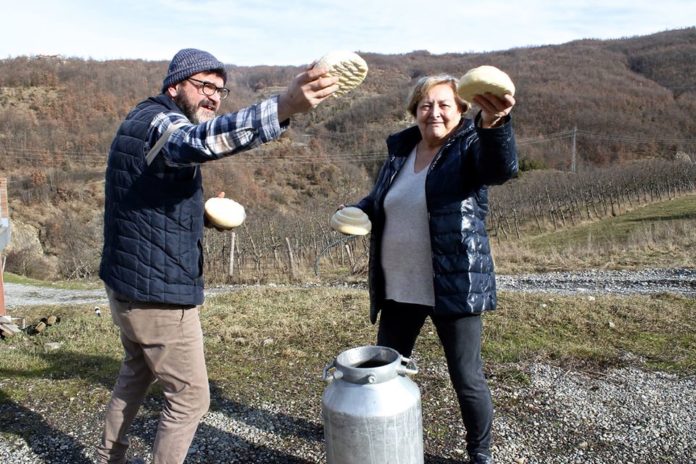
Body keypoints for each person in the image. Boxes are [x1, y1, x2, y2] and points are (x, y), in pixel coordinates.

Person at [96, 48, 338, 464]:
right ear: (174, 85)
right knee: (191, 399)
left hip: (130, 285)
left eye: (220, 91)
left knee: (135, 373)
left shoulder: (140, 118)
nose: (213, 97)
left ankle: (108, 456)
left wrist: (201, 215)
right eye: (204, 86)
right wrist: (282, 107)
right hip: (159, 293)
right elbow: (197, 142)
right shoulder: (161, 123)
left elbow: (148, 195)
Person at [351, 74, 518, 464]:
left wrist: (495, 127)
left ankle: (480, 453)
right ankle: (381, 433)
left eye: (444, 104)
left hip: (453, 286)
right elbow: (383, 200)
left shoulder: (469, 148)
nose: (434, 112)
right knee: (385, 370)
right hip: (400, 287)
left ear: (462, 110)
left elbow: (500, 168)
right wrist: (359, 210)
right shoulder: (401, 152)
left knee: (467, 378)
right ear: (415, 112)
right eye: (426, 105)